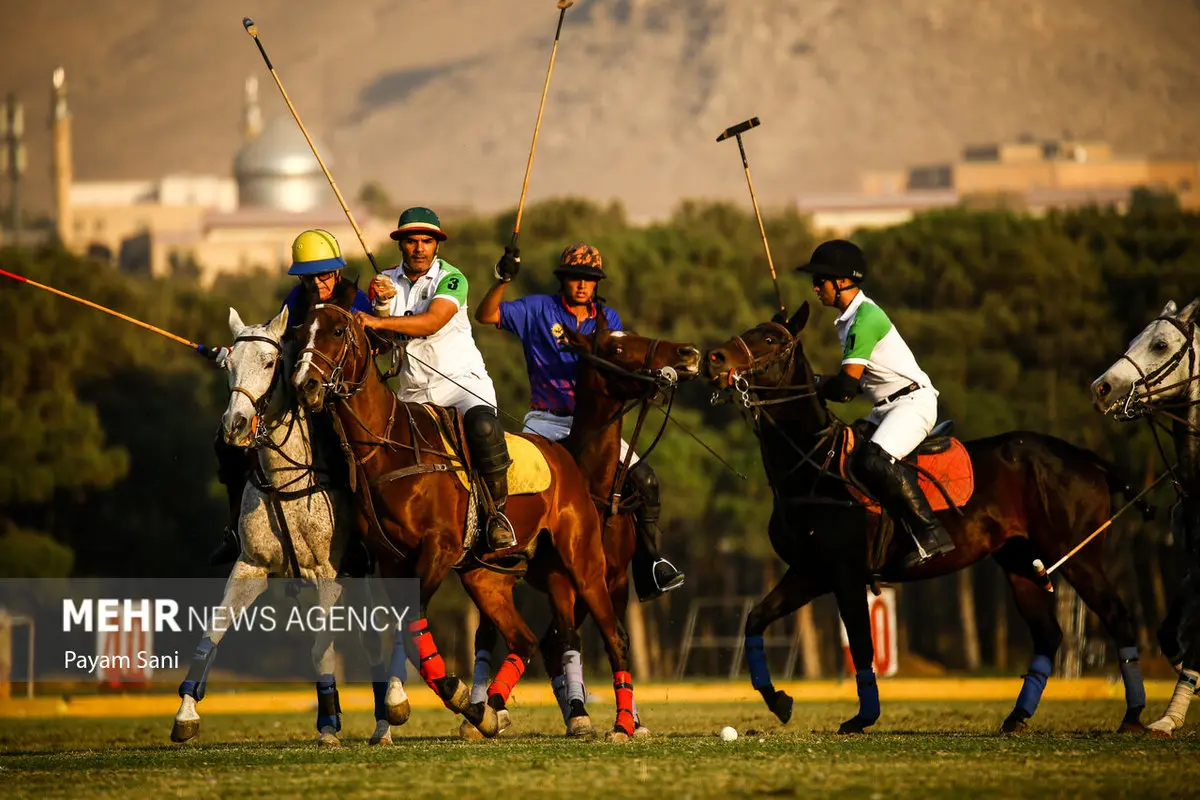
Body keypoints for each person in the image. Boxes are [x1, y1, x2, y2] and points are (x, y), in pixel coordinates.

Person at [474, 241, 685, 600]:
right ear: (563, 279)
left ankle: (650, 564)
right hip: (545, 421)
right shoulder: (537, 309)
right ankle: (505, 553)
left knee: (645, 481)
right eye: (575, 277)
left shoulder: (608, 320)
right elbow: (486, 315)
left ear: (597, 282)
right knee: (518, 480)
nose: (583, 284)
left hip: (595, 428)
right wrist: (502, 279)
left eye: (590, 278)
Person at [208, 228, 373, 566]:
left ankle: (360, 539)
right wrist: (236, 353)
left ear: (337, 272)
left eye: (323, 275)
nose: (317, 283)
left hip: (341, 398)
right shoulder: (295, 301)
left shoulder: (354, 299)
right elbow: (274, 341)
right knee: (228, 444)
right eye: (309, 277)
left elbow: (372, 348)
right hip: (299, 396)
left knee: (349, 455)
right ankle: (235, 530)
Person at [356, 207, 516, 551]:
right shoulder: (385, 280)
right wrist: (380, 305)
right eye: (412, 241)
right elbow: (382, 345)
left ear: (436, 245)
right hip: (412, 391)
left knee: (484, 429)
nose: (419, 248)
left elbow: (431, 322)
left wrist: (377, 320)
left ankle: (496, 514)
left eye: (426, 241)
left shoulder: (452, 278)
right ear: (400, 244)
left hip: (462, 383)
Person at [795, 239, 955, 568]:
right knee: (843, 453)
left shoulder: (864, 318)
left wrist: (808, 382)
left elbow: (846, 389)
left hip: (913, 403)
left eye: (820, 280)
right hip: (885, 408)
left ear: (842, 281)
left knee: (874, 461)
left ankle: (931, 533)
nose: (815, 287)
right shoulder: (848, 319)